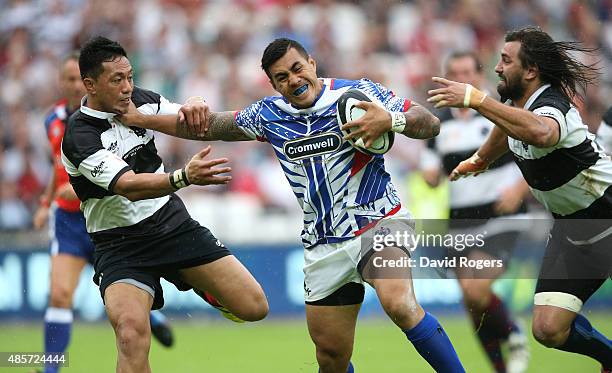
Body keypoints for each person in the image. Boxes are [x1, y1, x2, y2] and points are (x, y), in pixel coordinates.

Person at [122, 37, 465, 373]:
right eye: (282, 78)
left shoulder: (357, 93)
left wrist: (392, 120)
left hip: (378, 223)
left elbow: (429, 123)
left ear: (312, 63)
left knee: (399, 303)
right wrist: (142, 119)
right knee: (331, 358)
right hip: (322, 245)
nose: (294, 80)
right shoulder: (269, 114)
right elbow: (210, 126)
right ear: (273, 84)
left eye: (298, 69)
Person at [60, 37, 268, 373]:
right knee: (130, 334)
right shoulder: (79, 136)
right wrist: (184, 177)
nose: (128, 87)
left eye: (130, 77)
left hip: (171, 224)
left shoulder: (142, 102)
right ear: (90, 84)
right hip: (120, 244)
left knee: (254, 307)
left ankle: (205, 289)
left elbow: (192, 120)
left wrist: (197, 103)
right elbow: (128, 187)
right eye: (117, 80)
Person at [428, 26, 612, 371]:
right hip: (573, 231)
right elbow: (505, 125)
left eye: (505, 60)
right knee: (547, 329)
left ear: (531, 71)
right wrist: (481, 158)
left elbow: (541, 132)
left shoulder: (551, 105)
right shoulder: (517, 104)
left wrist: (477, 99)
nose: (497, 67)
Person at [31, 52, 174, 373]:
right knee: (59, 294)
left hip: (108, 219)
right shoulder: (52, 121)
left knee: (126, 291)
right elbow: (58, 168)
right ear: (67, 82)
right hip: (69, 220)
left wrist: (82, 187)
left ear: (89, 84)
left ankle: (150, 314)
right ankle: (51, 368)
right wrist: (45, 203)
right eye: (67, 79)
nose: (71, 85)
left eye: (75, 79)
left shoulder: (105, 117)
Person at [421, 51, 530, 373]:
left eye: (467, 71)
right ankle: (501, 368)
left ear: (479, 76)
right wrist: (429, 176)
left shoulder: (499, 113)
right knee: (473, 305)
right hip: (461, 220)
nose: (462, 78)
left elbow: (535, 153)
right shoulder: (437, 125)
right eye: (455, 72)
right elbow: (430, 173)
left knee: (475, 289)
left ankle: (514, 330)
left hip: (502, 216)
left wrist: (518, 189)